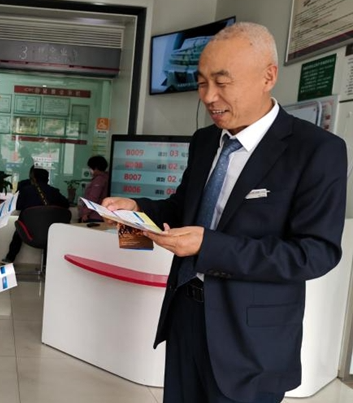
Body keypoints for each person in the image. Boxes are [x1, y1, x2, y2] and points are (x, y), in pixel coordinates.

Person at [104, 22, 347, 403]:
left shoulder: (316, 150)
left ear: (268, 77)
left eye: (222, 82)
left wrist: (209, 246)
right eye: (202, 83)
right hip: (185, 313)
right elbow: (183, 207)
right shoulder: (205, 141)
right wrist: (136, 209)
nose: (209, 97)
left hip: (251, 339)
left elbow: (315, 253)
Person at [3, 168, 69, 263]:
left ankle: (10, 258)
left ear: (33, 178)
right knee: (49, 232)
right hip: (50, 232)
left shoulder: (25, 190)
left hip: (28, 231)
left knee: (19, 230)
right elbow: (66, 204)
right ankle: (46, 265)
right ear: (47, 179)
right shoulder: (54, 191)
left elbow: (18, 206)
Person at [78, 155, 109, 222]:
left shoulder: (99, 180)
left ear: (96, 168)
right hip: (101, 215)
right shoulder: (106, 177)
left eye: (90, 168)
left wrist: (86, 213)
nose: (90, 170)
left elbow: (93, 198)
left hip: (95, 216)